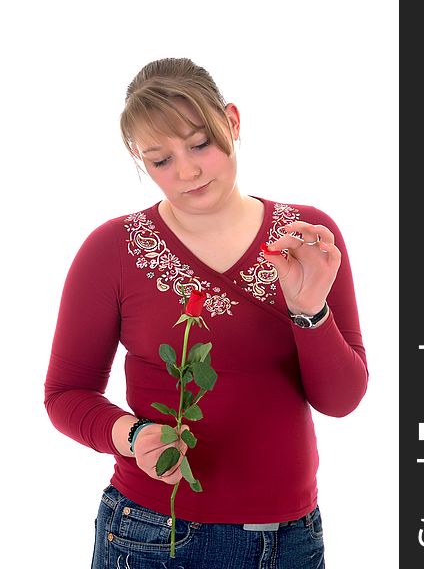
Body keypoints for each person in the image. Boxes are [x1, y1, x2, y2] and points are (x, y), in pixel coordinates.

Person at [44, 57, 368, 569]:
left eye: (200, 144)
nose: (188, 171)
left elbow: (342, 400)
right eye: (160, 159)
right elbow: (65, 394)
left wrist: (309, 310)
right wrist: (131, 436)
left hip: (291, 540)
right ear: (138, 160)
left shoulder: (307, 236)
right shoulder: (111, 250)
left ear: (232, 122)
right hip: (152, 535)